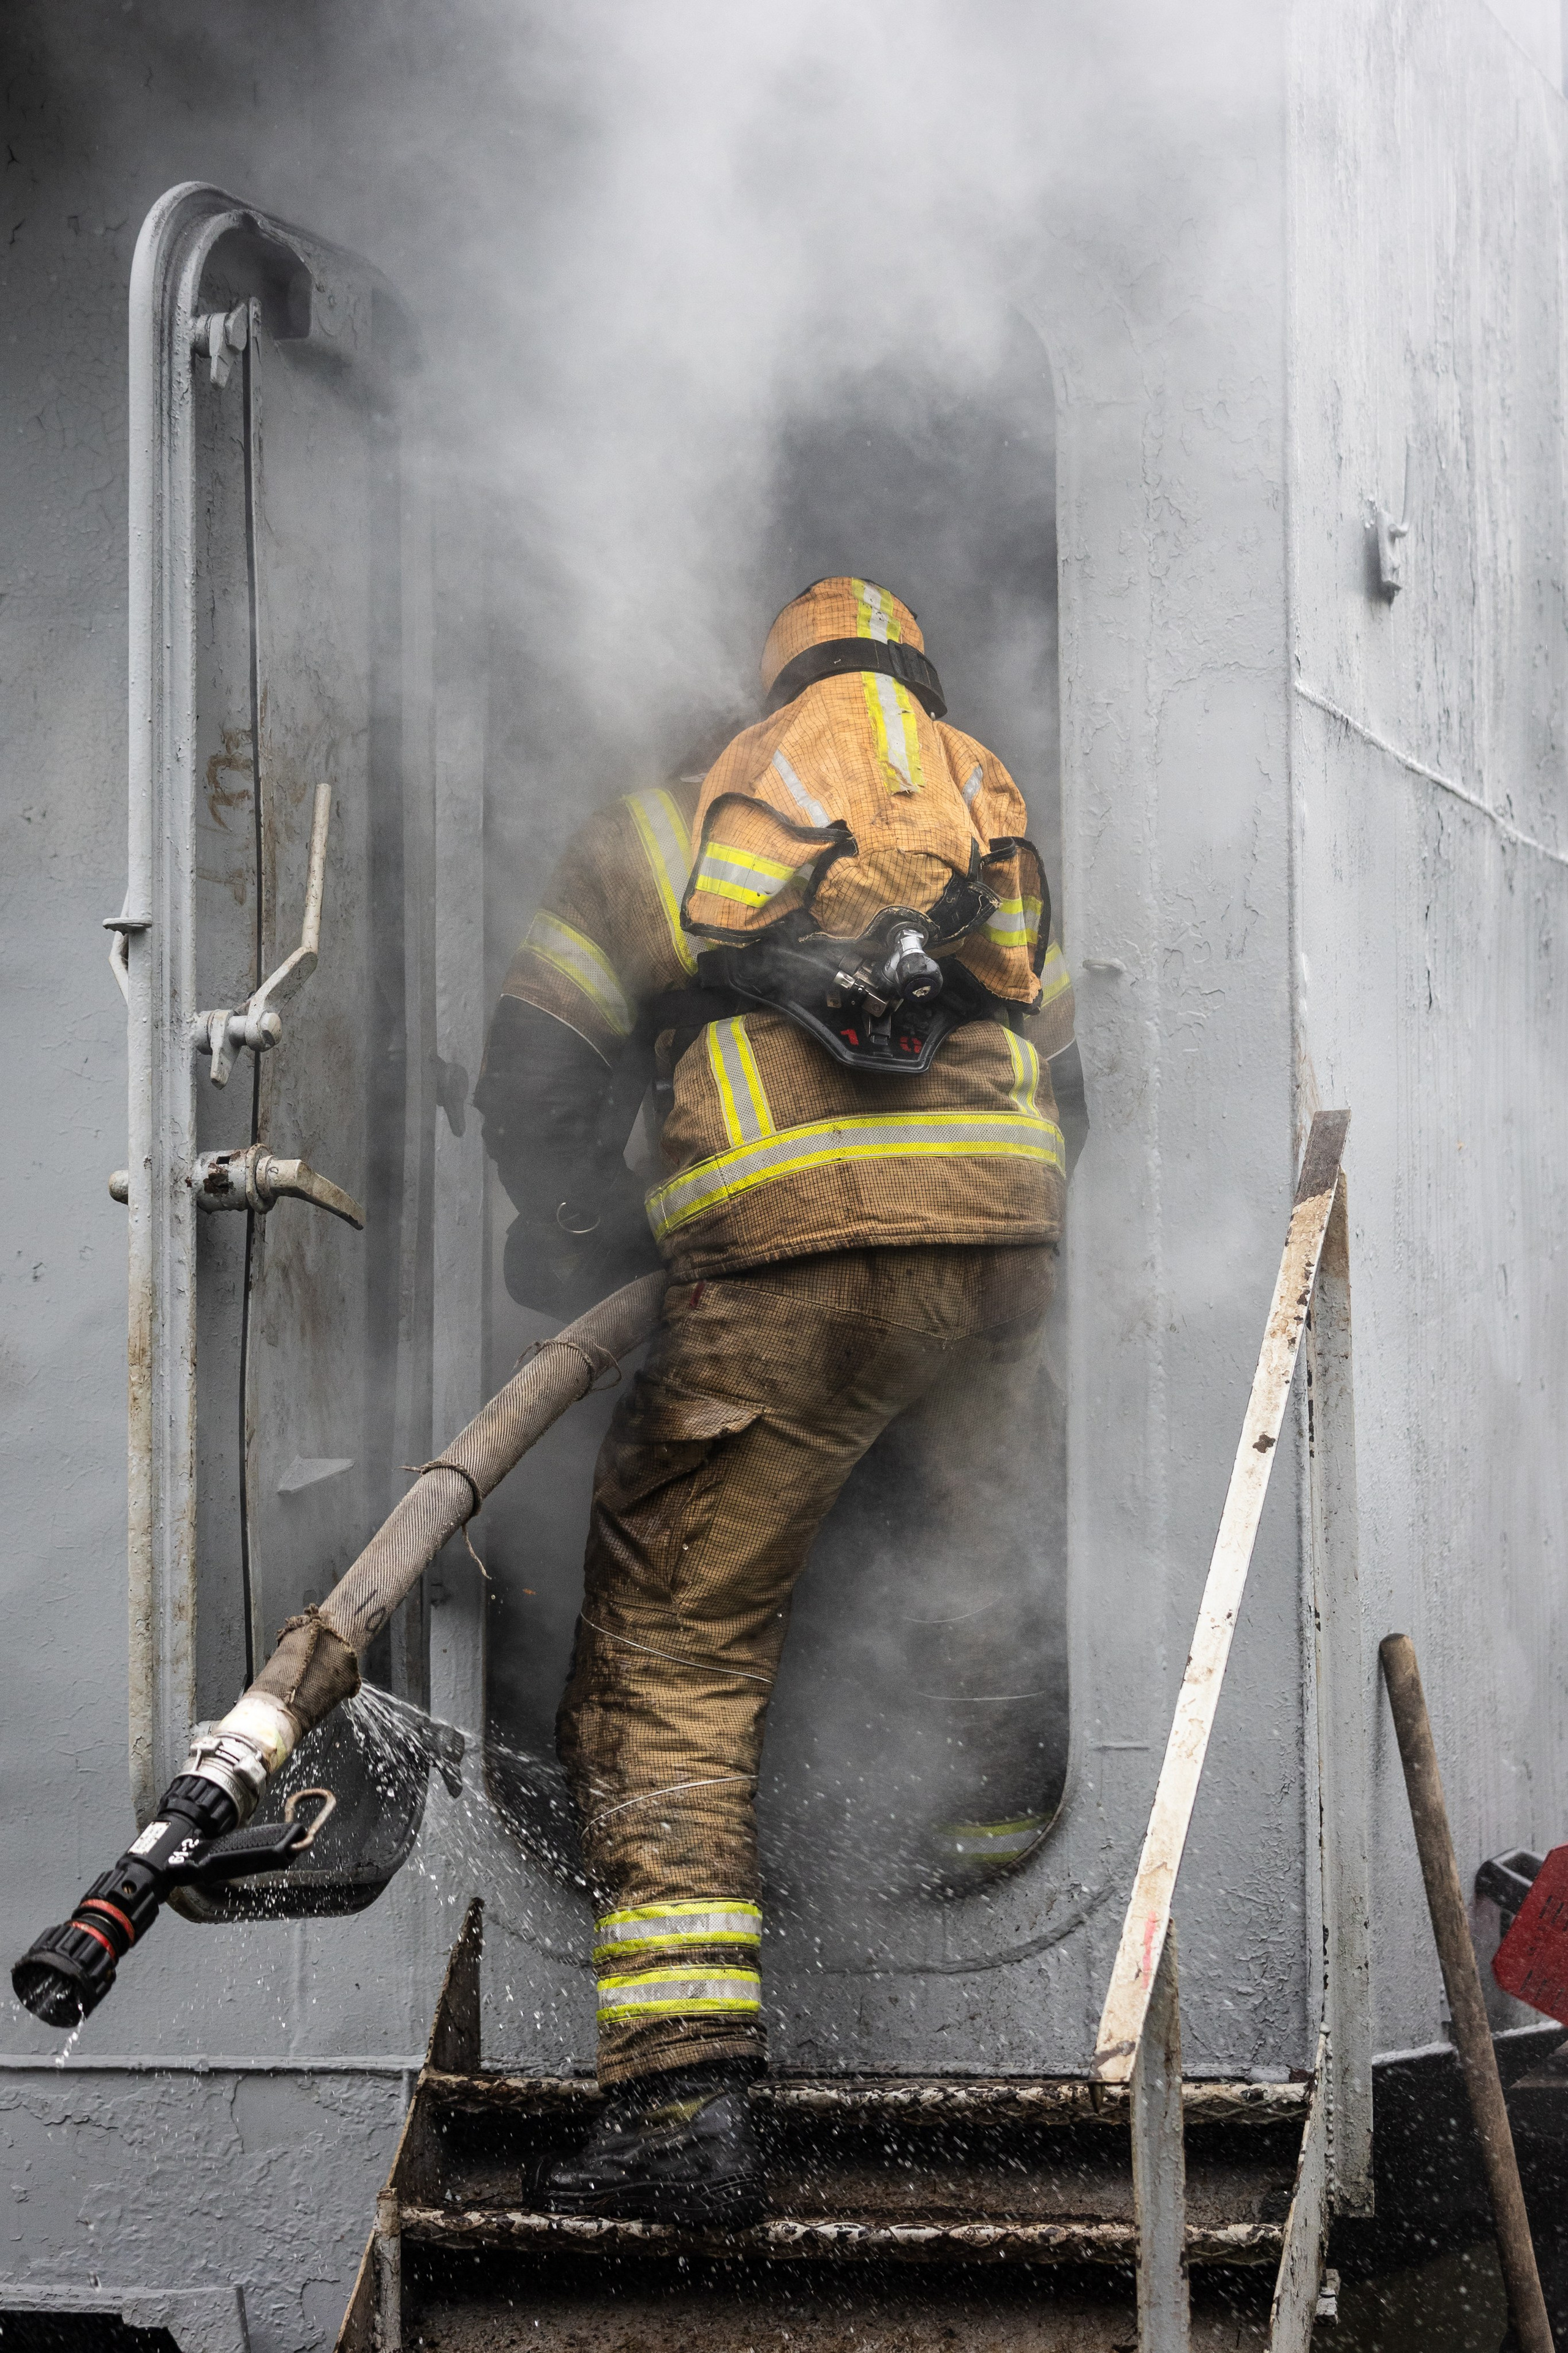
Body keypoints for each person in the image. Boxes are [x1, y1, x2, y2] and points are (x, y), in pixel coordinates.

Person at [473, 576, 1085, 2224]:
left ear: (766, 701)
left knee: (671, 1656)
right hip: (1001, 1263)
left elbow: (533, 1075)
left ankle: (685, 2103)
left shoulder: (670, 830)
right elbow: (1069, 1081)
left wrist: (600, 1232)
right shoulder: (991, 832)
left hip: (785, 1277)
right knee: (987, 1567)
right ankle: (974, 1893)